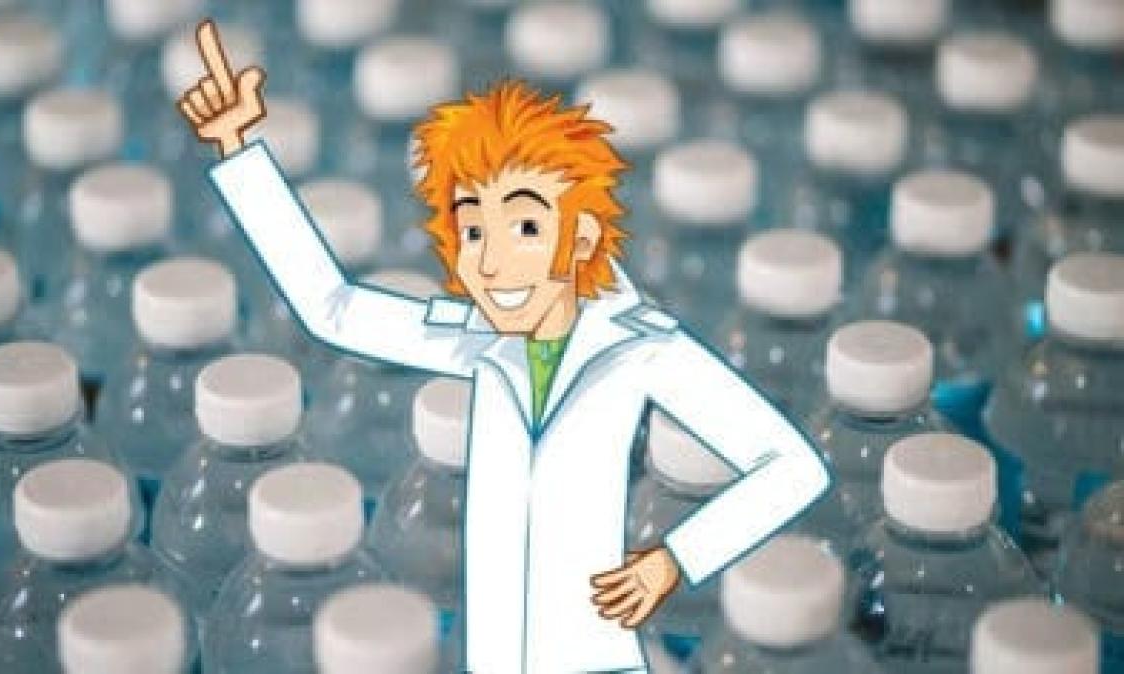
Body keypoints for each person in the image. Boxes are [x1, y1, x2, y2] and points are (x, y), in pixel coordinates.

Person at [177, 19, 832, 674]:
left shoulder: (643, 351)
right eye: (473, 232)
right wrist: (238, 149)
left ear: (580, 236)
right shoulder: (481, 342)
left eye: (524, 227)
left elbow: (792, 466)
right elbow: (335, 308)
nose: (492, 263)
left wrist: (673, 560)